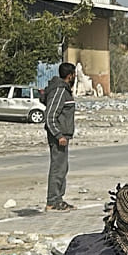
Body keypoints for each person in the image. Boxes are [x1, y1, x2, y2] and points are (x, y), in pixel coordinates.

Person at [43, 61, 77, 211]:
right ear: (70, 76)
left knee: (62, 168)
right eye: (74, 75)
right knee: (58, 169)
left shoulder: (64, 90)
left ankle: (58, 199)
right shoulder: (59, 91)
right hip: (58, 138)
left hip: (63, 137)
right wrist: (58, 135)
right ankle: (52, 201)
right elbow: (50, 116)